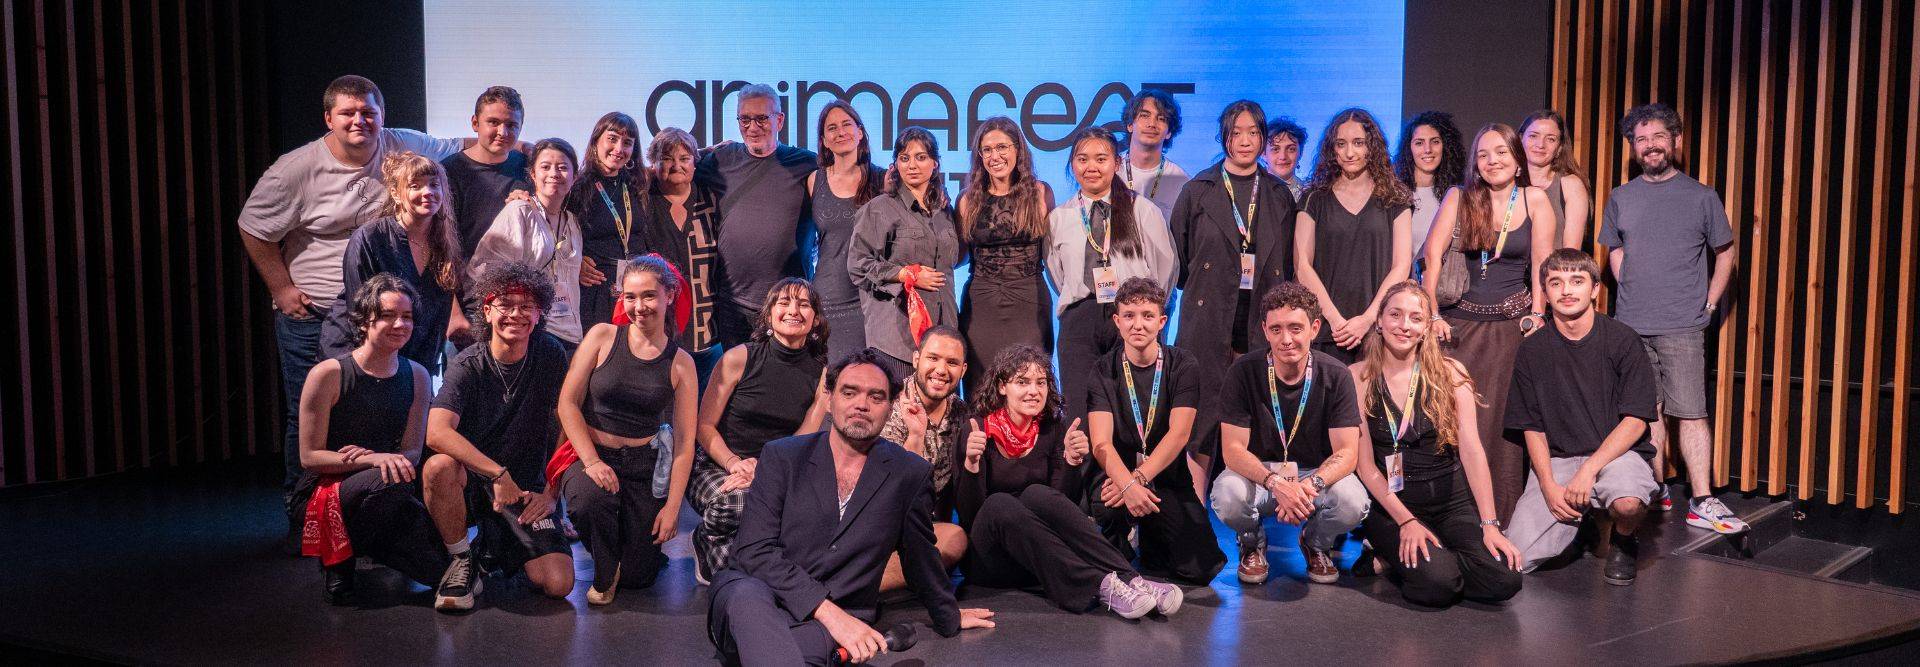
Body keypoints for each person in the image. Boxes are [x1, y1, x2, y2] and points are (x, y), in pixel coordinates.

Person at [238, 75, 467, 541]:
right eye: (348, 113)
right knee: (311, 418)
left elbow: (460, 143)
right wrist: (281, 288)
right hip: (321, 315)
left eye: (369, 113)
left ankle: (373, 517)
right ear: (329, 119)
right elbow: (253, 226)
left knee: (389, 420)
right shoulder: (295, 169)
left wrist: (527, 146)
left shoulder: (402, 147)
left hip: (396, 329)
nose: (360, 121)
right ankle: (306, 519)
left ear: (383, 119)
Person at [706, 349, 995, 665]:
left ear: (890, 407)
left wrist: (948, 614)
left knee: (795, 652)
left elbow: (919, 557)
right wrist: (828, 613)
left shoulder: (908, 474)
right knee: (747, 594)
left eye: (876, 396)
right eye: (849, 392)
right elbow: (752, 551)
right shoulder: (782, 457)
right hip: (758, 600)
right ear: (829, 400)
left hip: (829, 621)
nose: (862, 404)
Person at [1597, 103, 1745, 533]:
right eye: (1641, 140)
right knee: (1649, 414)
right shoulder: (1621, 196)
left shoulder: (1701, 196)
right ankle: (1655, 488)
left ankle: (1702, 500)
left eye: (1658, 137)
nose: (1650, 146)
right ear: (1633, 148)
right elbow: (1615, 249)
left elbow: (1726, 252)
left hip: (1682, 325)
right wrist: (1630, 288)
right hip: (1631, 325)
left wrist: (1711, 304)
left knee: (1691, 413)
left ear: (1675, 141)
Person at [955, 345, 1182, 620]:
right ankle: (1100, 586)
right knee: (1001, 503)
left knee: (1038, 493)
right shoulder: (978, 429)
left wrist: (1073, 463)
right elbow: (970, 515)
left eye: (1041, 382)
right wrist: (971, 465)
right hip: (992, 560)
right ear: (1002, 387)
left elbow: (1062, 504)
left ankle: (1131, 580)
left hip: (1042, 556)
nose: (1033, 391)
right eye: (1022, 382)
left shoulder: (1051, 427)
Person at [1347, 281, 1523, 607]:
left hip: (1450, 502)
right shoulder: (1357, 378)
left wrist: (1490, 525)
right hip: (1393, 505)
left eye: (1415, 318)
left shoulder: (1451, 373)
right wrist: (1407, 521)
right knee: (1439, 586)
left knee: (1505, 578)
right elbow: (1365, 467)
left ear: (1427, 326)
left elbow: (1472, 451)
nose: (1404, 325)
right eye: (1395, 315)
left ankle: (1427, 556)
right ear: (1380, 322)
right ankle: (1396, 554)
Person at [422, 262, 575, 612]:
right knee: (438, 467)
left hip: (525, 488)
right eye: (505, 304)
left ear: (539, 314)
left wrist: (551, 493)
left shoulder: (549, 354)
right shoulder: (468, 364)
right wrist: (496, 473)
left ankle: (493, 548)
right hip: (474, 484)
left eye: (527, 306)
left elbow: (568, 423)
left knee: (558, 583)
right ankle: (462, 558)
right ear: (487, 311)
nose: (516, 314)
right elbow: (436, 431)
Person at [1423, 123, 1556, 523]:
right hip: (1457, 327)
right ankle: (1447, 515)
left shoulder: (1535, 199)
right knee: (1450, 423)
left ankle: (1498, 519)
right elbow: (1431, 257)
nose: (1492, 161)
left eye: (1501, 152)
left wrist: (1538, 313)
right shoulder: (1460, 197)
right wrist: (1430, 315)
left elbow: (1542, 264)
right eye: (1483, 154)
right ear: (1475, 163)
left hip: (1510, 329)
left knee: (1499, 430)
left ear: (1517, 160)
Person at [1504, 249, 1661, 585]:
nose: (1566, 290)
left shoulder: (1622, 340)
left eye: (1577, 281)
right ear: (1544, 294)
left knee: (1628, 502)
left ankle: (1623, 537)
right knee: (1514, 559)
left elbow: (1636, 420)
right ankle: (1582, 528)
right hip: (1560, 460)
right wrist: (1547, 485)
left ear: (1594, 290)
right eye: (1556, 283)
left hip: (1615, 455)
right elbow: (1531, 426)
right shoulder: (1532, 351)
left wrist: (1589, 470)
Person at [1169, 100, 1299, 495]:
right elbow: (1182, 258)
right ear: (1223, 136)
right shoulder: (1198, 190)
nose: (1245, 141)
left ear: (1262, 138)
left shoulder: (1279, 193)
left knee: (1257, 414)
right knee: (1200, 416)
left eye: (1253, 133)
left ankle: (1250, 525)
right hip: (1208, 316)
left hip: (1262, 318)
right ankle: (1193, 518)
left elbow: (1290, 259)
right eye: (1236, 133)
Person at [294, 274, 446, 604]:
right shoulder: (330, 373)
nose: (400, 324)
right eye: (388, 315)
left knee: (443, 573)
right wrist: (373, 459)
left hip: (386, 485)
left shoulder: (418, 375)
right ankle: (339, 561)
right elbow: (309, 457)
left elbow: (411, 451)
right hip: (326, 490)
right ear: (365, 321)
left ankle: (370, 544)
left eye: (406, 316)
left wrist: (382, 462)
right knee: (391, 480)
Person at [556, 257, 700, 604]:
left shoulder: (682, 363)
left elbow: (684, 444)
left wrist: (672, 509)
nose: (638, 307)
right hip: (591, 455)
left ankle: (621, 556)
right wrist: (591, 461)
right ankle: (605, 573)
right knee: (590, 502)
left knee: (639, 577)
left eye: (648, 296)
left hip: (643, 466)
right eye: (629, 297)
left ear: (669, 295)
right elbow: (567, 404)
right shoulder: (602, 336)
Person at [1211, 282, 1367, 585]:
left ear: (1315, 328)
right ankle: (1252, 540)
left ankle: (1315, 542)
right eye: (1277, 329)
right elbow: (1232, 450)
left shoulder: (1336, 375)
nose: (1286, 339)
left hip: (1314, 476)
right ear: (1265, 330)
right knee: (1227, 496)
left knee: (1353, 502)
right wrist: (1277, 483)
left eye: (1296, 328)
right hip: (1260, 476)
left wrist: (1309, 486)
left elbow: (1348, 453)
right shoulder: (1243, 371)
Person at [1084, 278, 1226, 586]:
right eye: (1130, 316)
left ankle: (1148, 533)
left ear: (1162, 321)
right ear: (1117, 321)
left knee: (1201, 568)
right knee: (1108, 515)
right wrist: (1126, 483)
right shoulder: (1102, 369)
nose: (1138, 324)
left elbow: (1179, 433)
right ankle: (1125, 536)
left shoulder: (1183, 364)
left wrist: (1138, 481)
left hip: (1164, 478)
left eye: (1148, 315)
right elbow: (1100, 444)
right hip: (1115, 477)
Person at [690, 279, 831, 583]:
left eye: (803, 304)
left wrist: (765, 470)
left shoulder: (821, 372)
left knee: (808, 515)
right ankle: (705, 540)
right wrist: (735, 464)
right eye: (784, 303)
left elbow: (802, 441)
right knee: (742, 502)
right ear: (768, 315)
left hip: (777, 468)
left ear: (816, 319)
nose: (793, 310)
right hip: (719, 464)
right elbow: (703, 427)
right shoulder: (738, 358)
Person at [1047, 127, 1177, 421]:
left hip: (1131, 318)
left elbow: (1165, 268)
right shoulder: (1059, 217)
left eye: (1100, 159)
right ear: (1072, 164)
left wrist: (1146, 315)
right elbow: (1057, 273)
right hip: (1080, 320)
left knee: (1130, 412)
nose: (1091, 167)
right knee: (1080, 412)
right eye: (1082, 159)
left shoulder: (1142, 210)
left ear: (1116, 163)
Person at [317, 152, 465, 375]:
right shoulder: (370, 238)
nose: (428, 193)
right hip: (356, 358)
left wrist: (420, 375)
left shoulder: (444, 246)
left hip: (409, 365)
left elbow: (436, 323)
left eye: (434, 185)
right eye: (416, 186)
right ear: (396, 194)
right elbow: (359, 312)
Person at [696, 83, 818, 347]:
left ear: (780, 120)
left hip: (788, 306)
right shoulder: (721, 160)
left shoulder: (807, 163)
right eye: (745, 119)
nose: (753, 127)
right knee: (738, 385)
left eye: (762, 118)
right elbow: (673, 172)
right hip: (732, 305)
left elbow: (852, 180)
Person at [1294, 107, 1414, 365]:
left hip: (1379, 330)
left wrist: (1369, 318)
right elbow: (1302, 265)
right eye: (1341, 144)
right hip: (1327, 331)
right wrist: (1336, 321)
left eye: (1358, 143)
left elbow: (1402, 265)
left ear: (1372, 146)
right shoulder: (1314, 198)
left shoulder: (1395, 198)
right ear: (1332, 149)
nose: (1349, 152)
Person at [848, 126, 962, 375]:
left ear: (935, 164)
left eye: (921, 157)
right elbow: (858, 264)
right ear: (896, 165)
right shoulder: (880, 208)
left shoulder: (944, 210)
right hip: (897, 338)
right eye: (904, 158)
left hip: (943, 338)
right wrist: (905, 275)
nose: (912, 165)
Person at [958, 116, 1055, 395]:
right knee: (981, 386)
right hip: (981, 305)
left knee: (1029, 381)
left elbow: (1054, 251)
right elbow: (959, 257)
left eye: (1002, 147)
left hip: (1029, 301)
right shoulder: (967, 199)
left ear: (1017, 150)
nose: (994, 156)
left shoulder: (1039, 193)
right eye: (986, 150)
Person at [876, 326, 973, 592]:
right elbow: (896, 489)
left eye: (952, 363)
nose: (941, 370)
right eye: (933, 358)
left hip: (920, 527)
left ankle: (876, 580)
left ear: (963, 371)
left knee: (956, 539)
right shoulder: (888, 404)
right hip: (880, 520)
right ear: (917, 360)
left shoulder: (962, 414)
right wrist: (916, 435)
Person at [470, 138, 585, 347]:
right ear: (533, 174)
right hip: (529, 330)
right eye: (545, 167)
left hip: (571, 332)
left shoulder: (573, 222)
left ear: (575, 177)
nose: (554, 174)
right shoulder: (519, 210)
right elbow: (486, 270)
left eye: (562, 168)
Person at [806, 100, 887, 364]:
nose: (840, 132)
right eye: (832, 128)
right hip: (829, 297)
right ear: (824, 141)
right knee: (832, 383)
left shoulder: (882, 179)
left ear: (860, 132)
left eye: (846, 125)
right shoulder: (813, 180)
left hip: (872, 297)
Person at [642, 127, 723, 381]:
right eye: (667, 158)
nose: (676, 165)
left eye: (684, 159)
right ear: (654, 164)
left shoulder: (712, 199)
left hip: (709, 333)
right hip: (660, 331)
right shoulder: (642, 202)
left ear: (695, 164)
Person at [569, 112, 650, 329]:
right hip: (595, 291)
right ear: (596, 141)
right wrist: (575, 262)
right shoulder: (576, 188)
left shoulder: (638, 185)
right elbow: (557, 237)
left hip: (635, 289)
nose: (619, 149)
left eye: (627, 143)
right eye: (612, 139)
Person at [443, 86, 529, 262]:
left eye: (511, 125)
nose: (502, 132)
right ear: (475, 123)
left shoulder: (529, 167)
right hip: (466, 281)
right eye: (493, 122)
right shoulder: (448, 172)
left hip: (519, 279)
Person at [1394, 111, 1467, 268]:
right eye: (1419, 143)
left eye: (1435, 141)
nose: (1428, 149)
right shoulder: (1394, 195)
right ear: (1409, 148)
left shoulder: (1456, 196)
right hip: (1398, 287)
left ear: (1445, 146)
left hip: (1440, 287)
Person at [1519, 109, 1592, 250]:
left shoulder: (1570, 185)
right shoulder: (1507, 183)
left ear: (1559, 148)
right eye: (1533, 136)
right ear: (1520, 139)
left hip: (1554, 270)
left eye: (1551, 139)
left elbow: (1571, 251)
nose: (1540, 144)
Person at [1120, 88, 1189, 220]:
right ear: (1130, 125)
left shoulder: (1181, 182)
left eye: (1161, 119)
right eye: (1144, 116)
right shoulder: (1110, 171)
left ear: (1169, 132)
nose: (1152, 124)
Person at [1263, 117, 1308, 201]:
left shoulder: (1309, 195)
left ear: (1301, 153)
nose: (1283, 156)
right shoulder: (1250, 191)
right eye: (1275, 149)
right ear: (1263, 153)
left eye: (1291, 149)